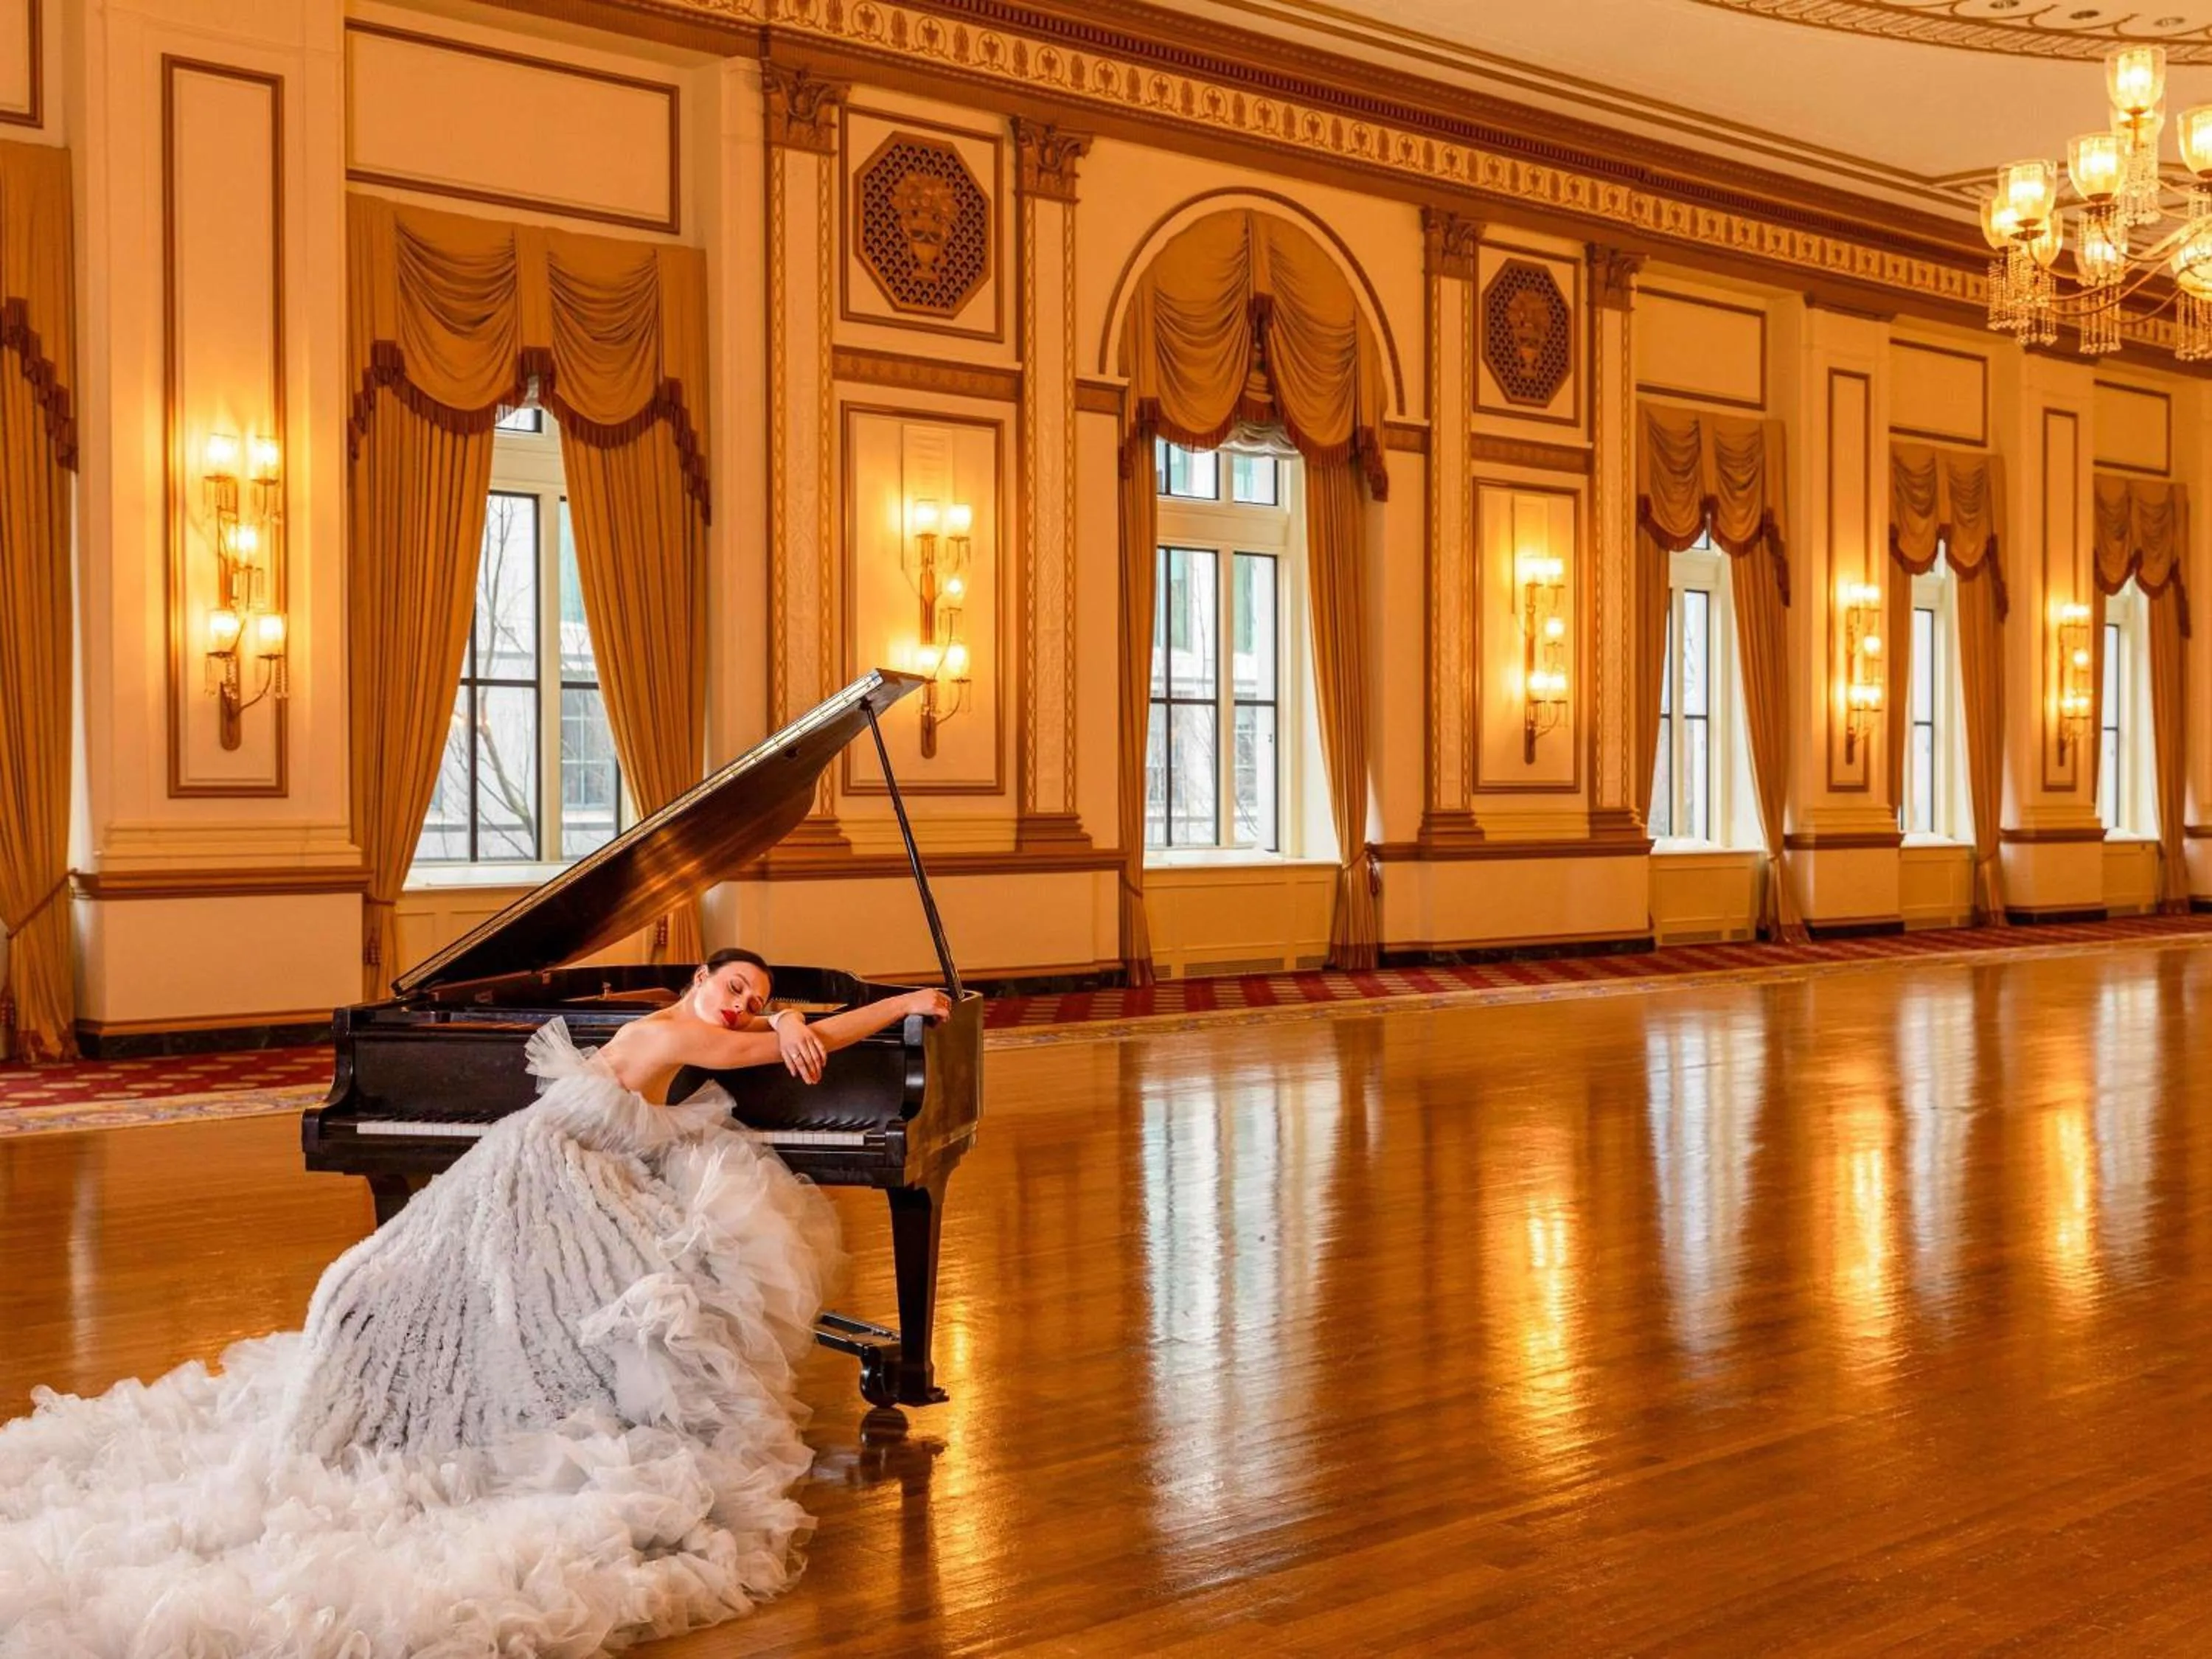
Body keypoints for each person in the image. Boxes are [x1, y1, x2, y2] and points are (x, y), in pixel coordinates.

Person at [0, 949, 952, 1658]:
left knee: (474, 1285)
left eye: (755, 995)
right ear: (700, 978)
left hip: (529, 1155)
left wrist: (778, 1020)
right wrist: (898, 1002)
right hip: (552, 1171)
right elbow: (816, 1042)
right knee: (583, 1289)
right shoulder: (676, 1033)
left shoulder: (675, 1023)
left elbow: (776, 1037)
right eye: (731, 986)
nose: (741, 1004)